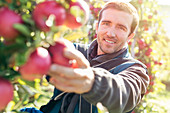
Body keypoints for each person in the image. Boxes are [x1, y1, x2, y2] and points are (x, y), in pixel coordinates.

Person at [21, 1, 149, 113]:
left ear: (130, 36)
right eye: (106, 23)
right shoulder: (73, 51)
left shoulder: (135, 70)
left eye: (121, 28)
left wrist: (93, 82)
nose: (111, 33)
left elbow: (123, 94)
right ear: (97, 26)